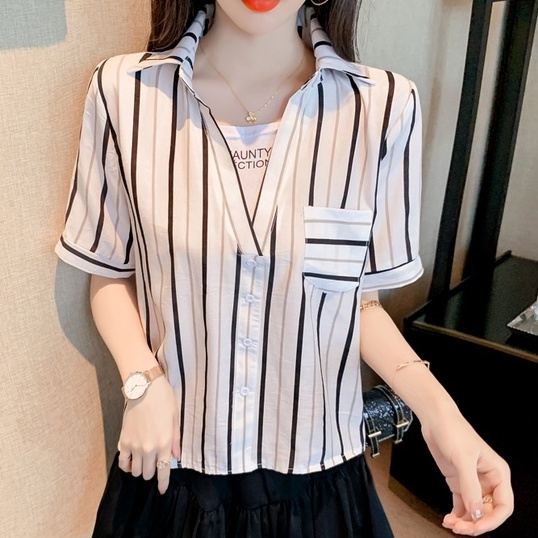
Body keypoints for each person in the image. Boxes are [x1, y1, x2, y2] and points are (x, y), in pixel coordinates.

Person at [55, 0, 514, 536]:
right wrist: (142, 381)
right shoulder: (125, 93)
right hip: (173, 473)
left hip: (320, 483)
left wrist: (443, 416)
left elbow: (355, 303)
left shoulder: (383, 107)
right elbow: (109, 270)